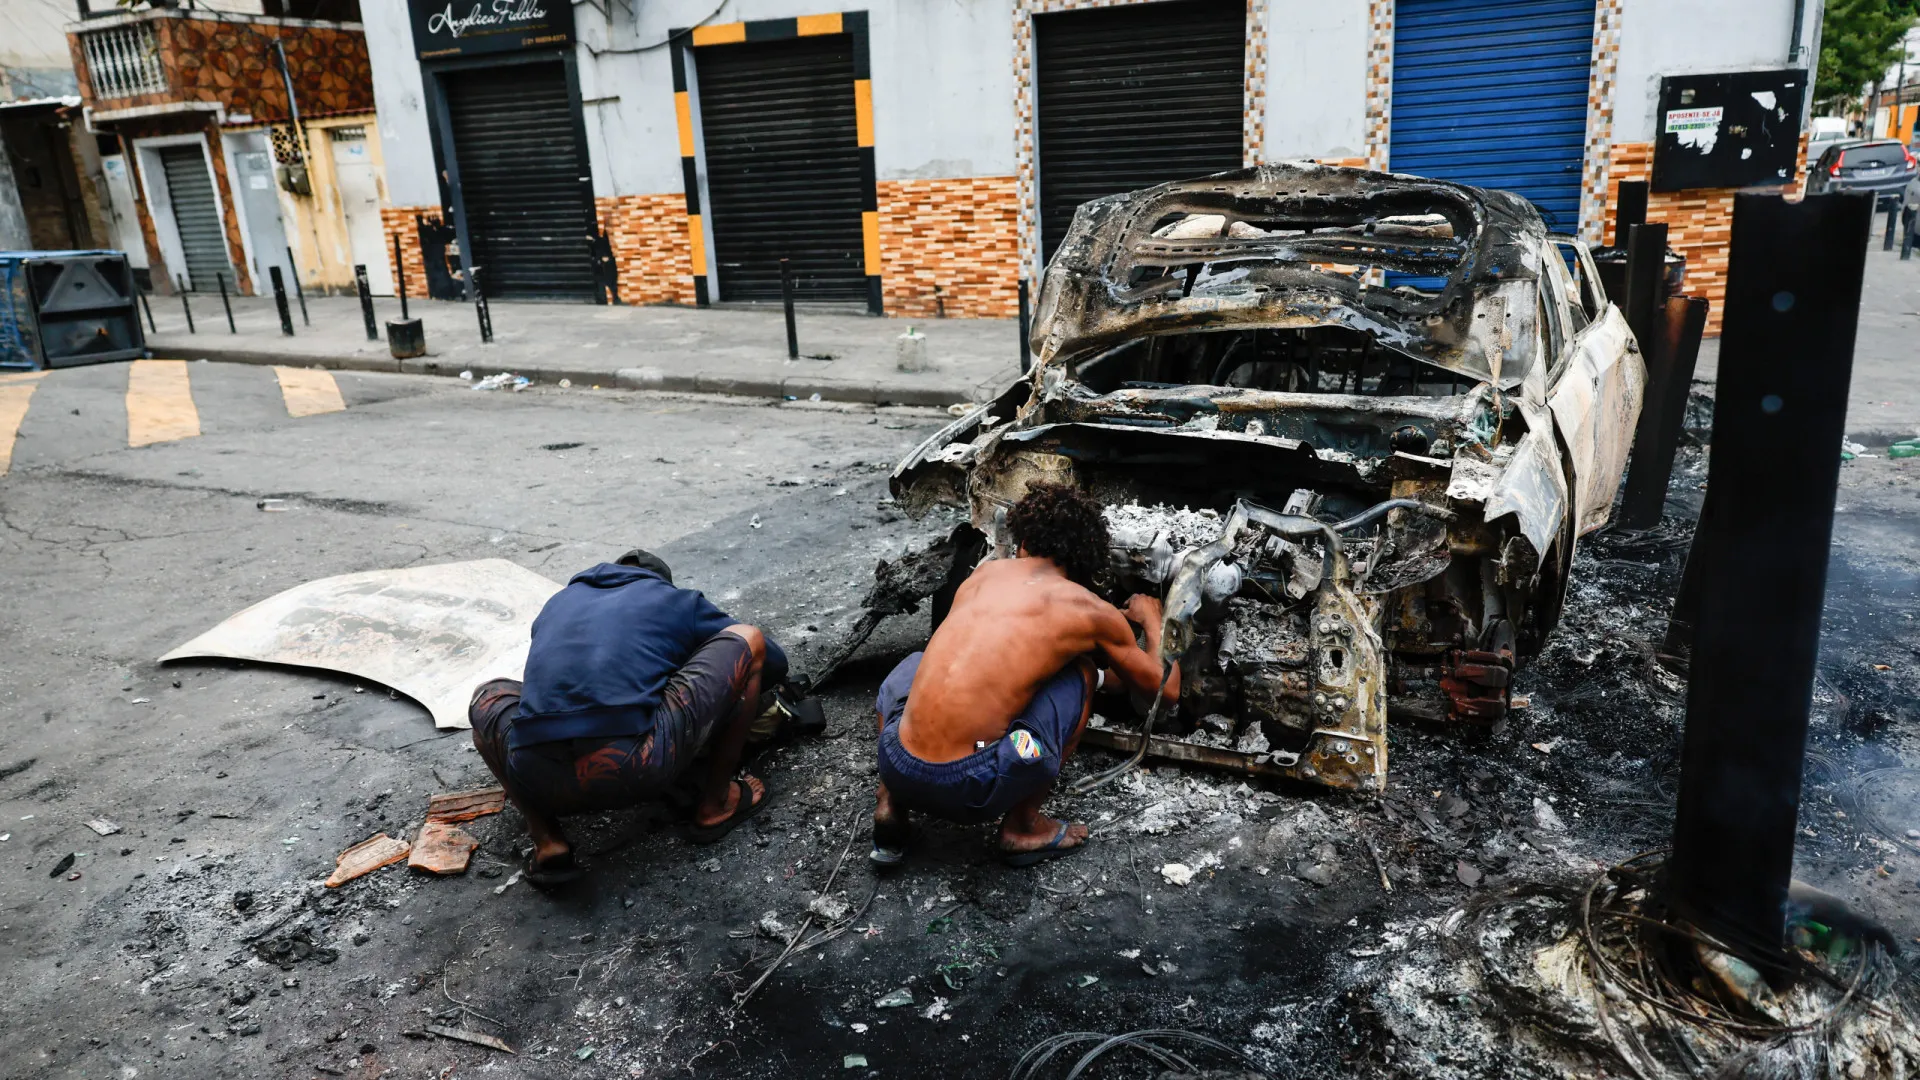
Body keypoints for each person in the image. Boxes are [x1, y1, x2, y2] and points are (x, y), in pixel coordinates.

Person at [870, 482, 1178, 868]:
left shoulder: (983, 576)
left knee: (916, 664)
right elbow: (1165, 692)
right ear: (1085, 557)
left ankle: (889, 801)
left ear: (1023, 540)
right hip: (971, 787)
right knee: (1082, 673)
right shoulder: (1090, 610)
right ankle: (1022, 826)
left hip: (896, 762)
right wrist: (1154, 620)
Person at [470, 549, 790, 885]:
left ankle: (548, 840)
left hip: (535, 775)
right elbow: (773, 662)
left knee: (488, 695)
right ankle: (716, 804)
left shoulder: (557, 604)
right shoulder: (674, 600)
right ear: (658, 579)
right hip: (634, 763)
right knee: (749, 641)